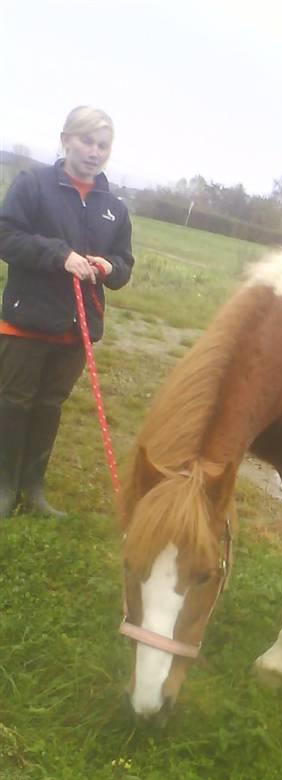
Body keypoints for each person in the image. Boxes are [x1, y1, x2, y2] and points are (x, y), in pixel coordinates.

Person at [0, 106, 134, 518]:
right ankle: (5, 487)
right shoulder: (33, 184)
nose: (94, 152)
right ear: (66, 139)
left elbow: (125, 264)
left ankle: (34, 488)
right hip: (27, 321)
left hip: (77, 330)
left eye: (102, 145)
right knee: (14, 400)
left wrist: (110, 268)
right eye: (86, 141)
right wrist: (60, 256)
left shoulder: (114, 206)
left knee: (49, 404)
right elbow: (6, 237)